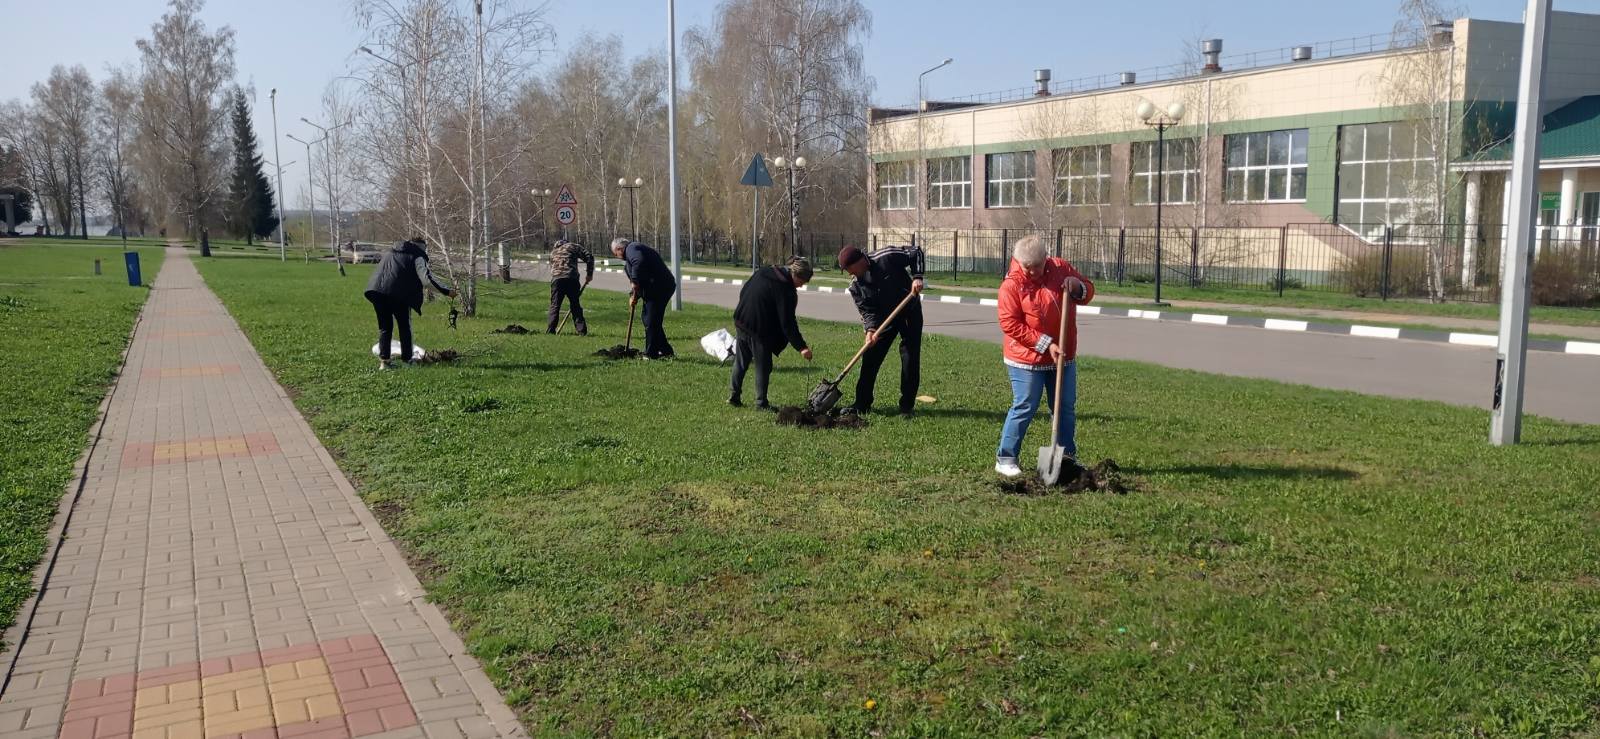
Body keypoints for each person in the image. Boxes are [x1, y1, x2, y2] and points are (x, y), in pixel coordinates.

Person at [994, 234, 1094, 478]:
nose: (1031, 272)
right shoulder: (1012, 285)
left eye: (1036, 266)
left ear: (1045, 259)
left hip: (1063, 354)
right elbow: (1009, 323)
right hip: (1025, 359)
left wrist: (1077, 287)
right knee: (1025, 405)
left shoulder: (1061, 269)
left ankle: (1066, 457)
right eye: (1026, 267)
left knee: (1064, 408)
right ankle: (1006, 457)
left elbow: (1088, 292)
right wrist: (1045, 343)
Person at [838, 244, 925, 417]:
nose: (850, 274)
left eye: (850, 269)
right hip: (884, 320)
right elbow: (867, 311)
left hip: (909, 311)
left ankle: (907, 407)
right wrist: (870, 330)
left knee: (909, 358)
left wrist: (917, 276)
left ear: (859, 261)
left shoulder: (886, 256)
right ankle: (862, 404)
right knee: (870, 358)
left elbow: (916, 252)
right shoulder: (856, 286)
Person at [730, 256, 816, 409]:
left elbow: (744, 291)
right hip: (758, 328)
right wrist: (802, 347)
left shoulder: (764, 271)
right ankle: (761, 403)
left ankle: (734, 396)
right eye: (802, 282)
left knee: (741, 361)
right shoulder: (785, 288)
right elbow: (787, 322)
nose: (801, 286)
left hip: (741, 320)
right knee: (763, 366)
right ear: (795, 275)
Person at [364, 238, 455, 370]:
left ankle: (385, 363)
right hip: (397, 294)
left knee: (385, 327)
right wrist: (447, 291)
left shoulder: (392, 251)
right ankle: (407, 361)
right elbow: (426, 280)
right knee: (404, 326)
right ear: (422, 247)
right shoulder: (417, 255)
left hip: (376, 291)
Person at [610, 237, 676, 359]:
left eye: (615, 254)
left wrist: (634, 281)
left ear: (619, 249)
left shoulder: (632, 248)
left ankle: (651, 354)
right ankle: (666, 351)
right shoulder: (629, 262)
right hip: (653, 289)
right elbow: (639, 282)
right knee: (651, 320)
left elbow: (638, 262)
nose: (617, 257)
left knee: (651, 321)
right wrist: (633, 296)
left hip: (660, 288)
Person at [546, 239, 594, 334]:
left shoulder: (553, 252)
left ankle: (550, 330)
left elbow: (553, 268)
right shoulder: (572, 246)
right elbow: (589, 257)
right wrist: (589, 274)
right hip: (571, 278)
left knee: (555, 305)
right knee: (575, 305)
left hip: (556, 279)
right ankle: (581, 331)